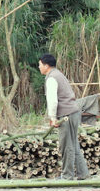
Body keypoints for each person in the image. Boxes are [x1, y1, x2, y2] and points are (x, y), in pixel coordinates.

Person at [38, 53, 90, 181]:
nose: (39, 67)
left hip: (66, 115)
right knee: (73, 144)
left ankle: (67, 176)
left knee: (66, 146)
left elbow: (53, 100)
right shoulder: (59, 74)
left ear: (46, 65)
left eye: (40, 65)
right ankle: (83, 173)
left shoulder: (51, 78)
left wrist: (53, 117)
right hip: (73, 112)